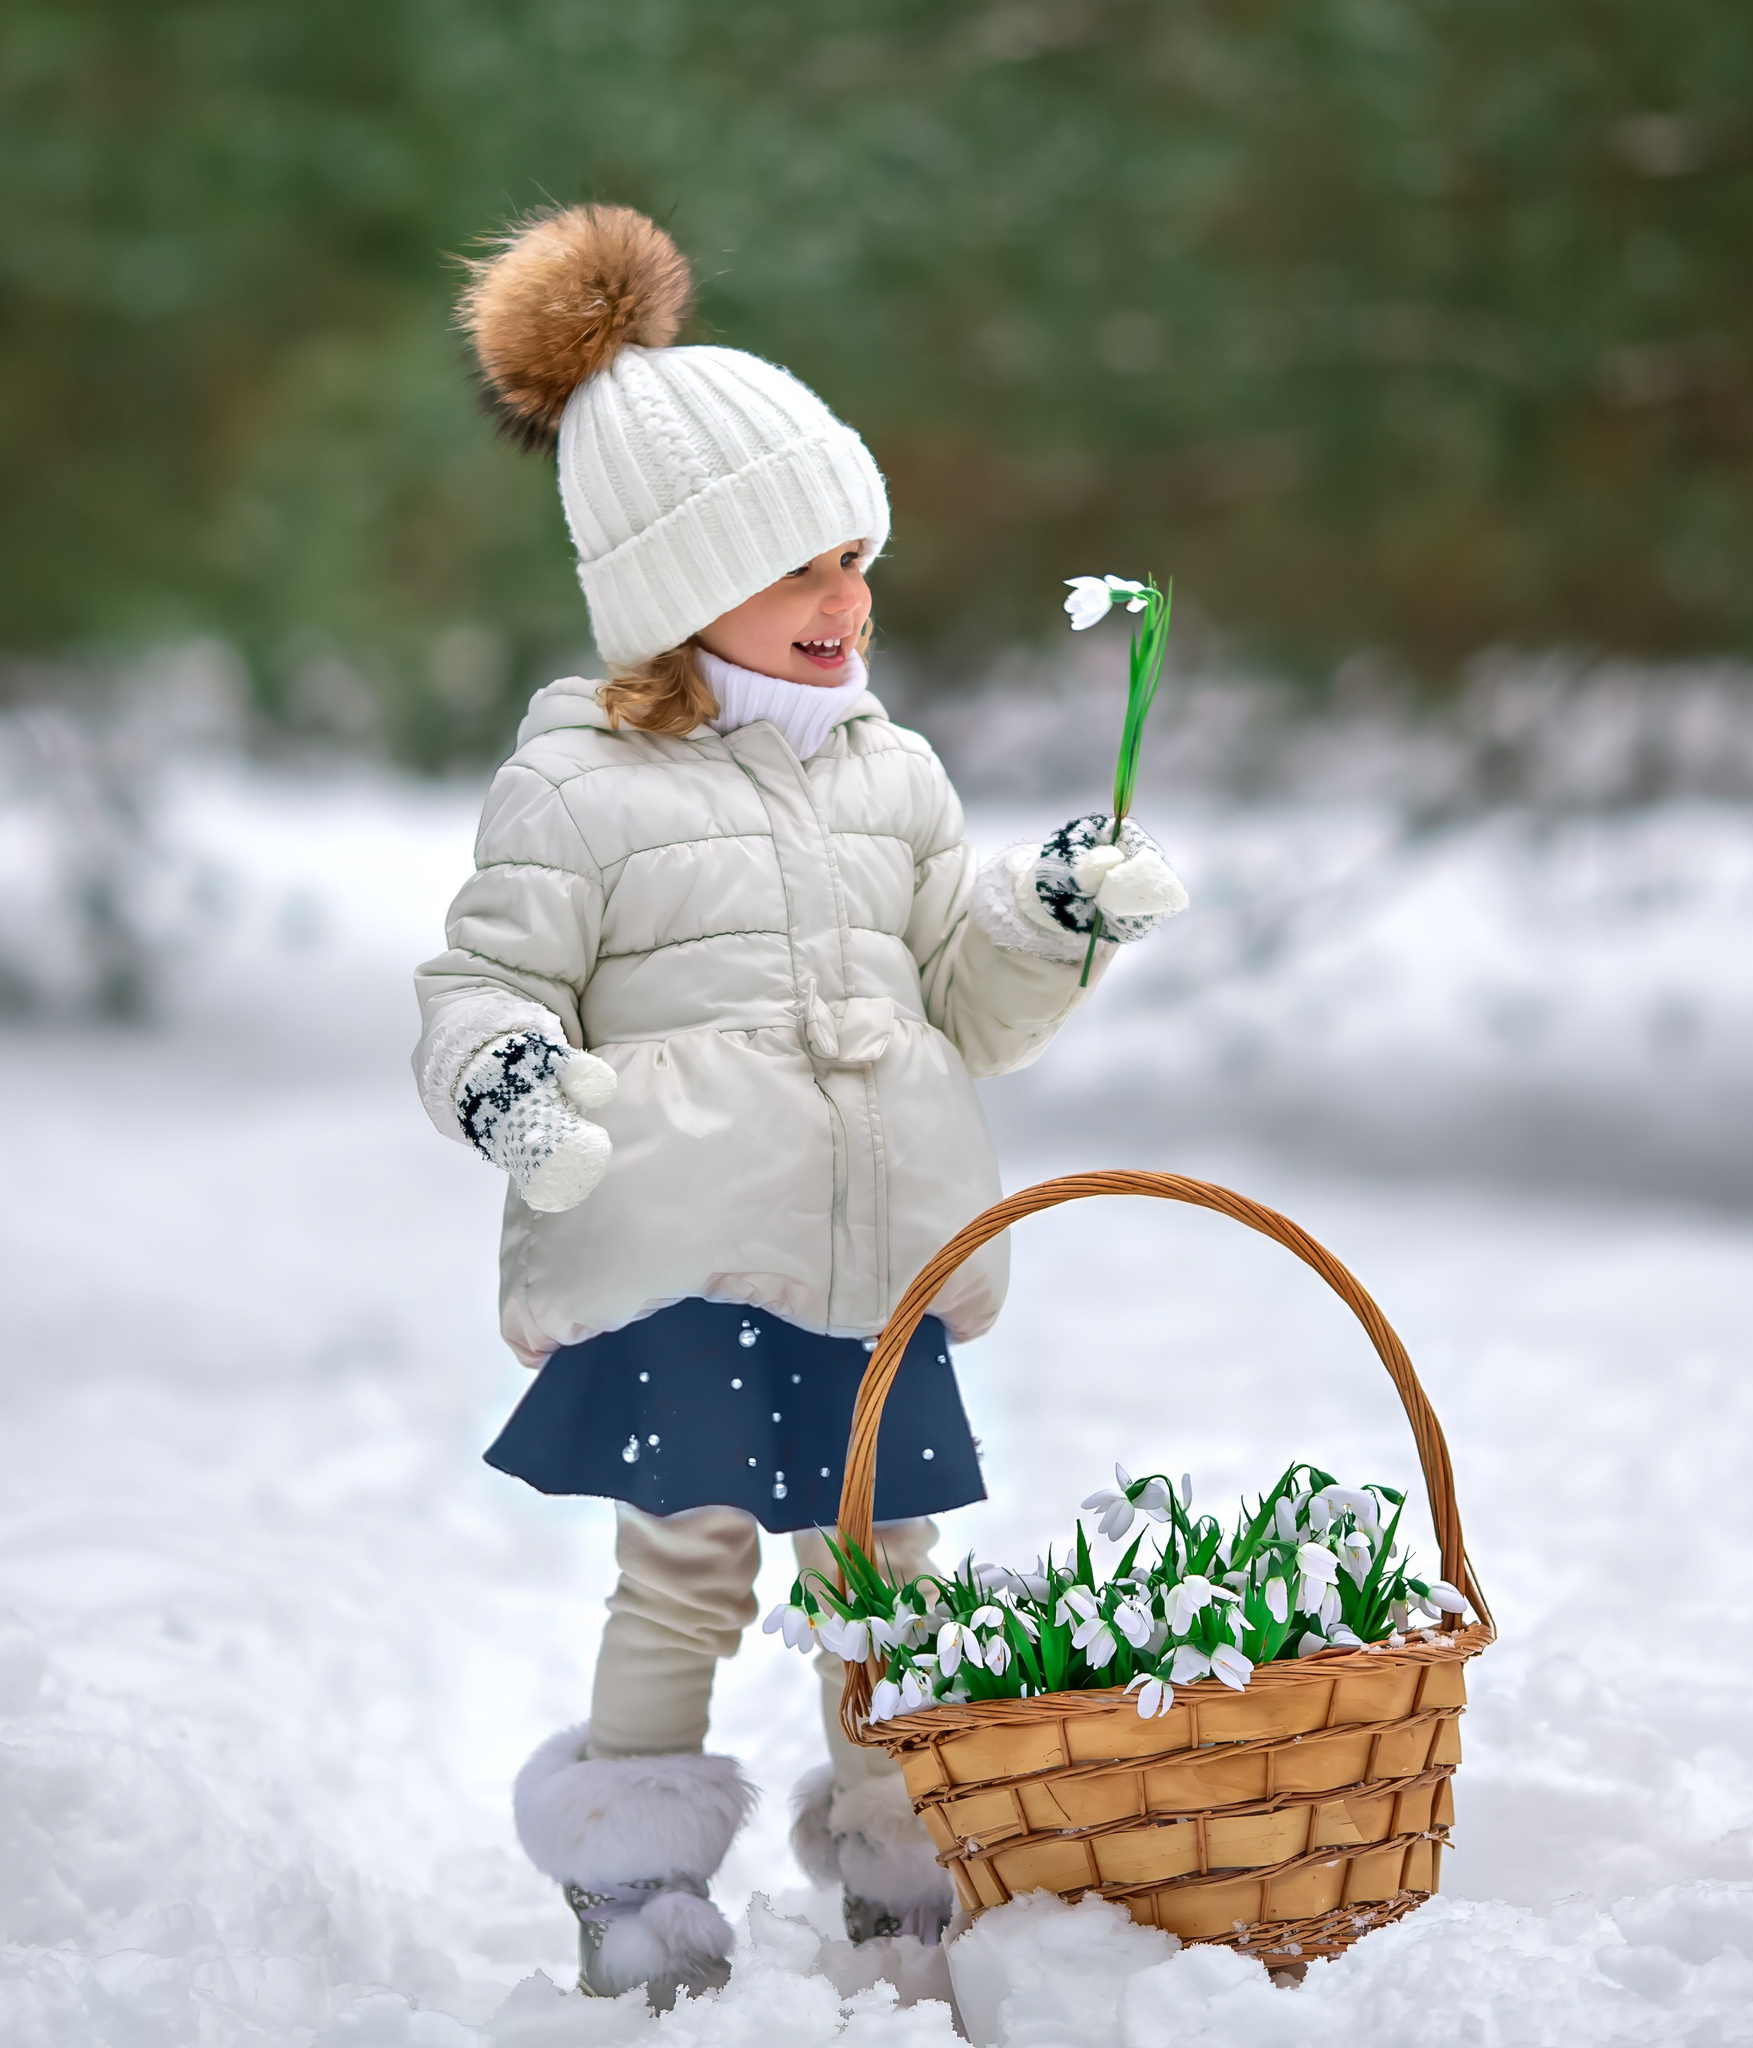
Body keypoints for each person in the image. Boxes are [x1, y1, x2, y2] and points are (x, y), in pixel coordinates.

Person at [413, 204, 1189, 2007]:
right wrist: (510, 1083)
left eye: (863, 565)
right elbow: (482, 988)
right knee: (684, 1574)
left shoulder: (895, 776)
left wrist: (1054, 917)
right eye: (806, 571)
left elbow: (964, 1010)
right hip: (684, 1249)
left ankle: (906, 1883)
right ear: (687, 593)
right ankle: (638, 1898)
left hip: (880, 1254)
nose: (853, 605)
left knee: (888, 1584)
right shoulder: (582, 787)